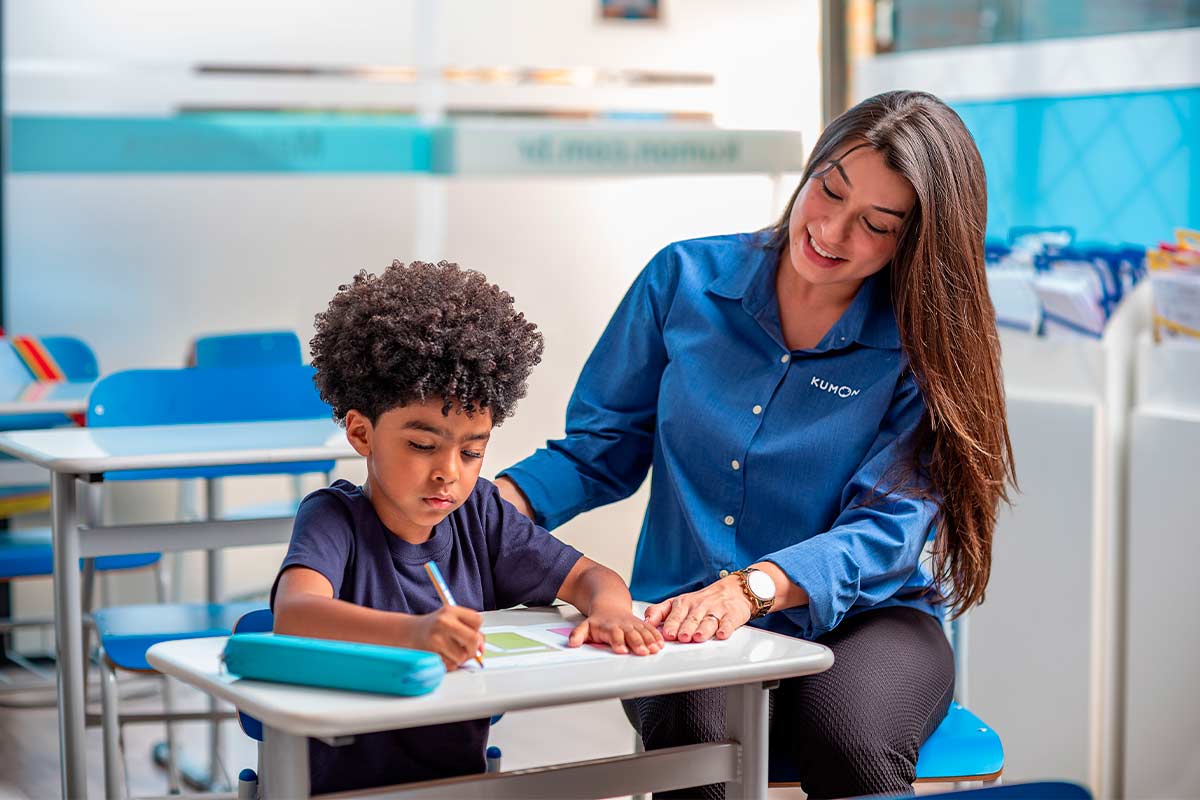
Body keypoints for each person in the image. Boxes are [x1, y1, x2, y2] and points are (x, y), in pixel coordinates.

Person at [496, 90, 1016, 799]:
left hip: (870, 622)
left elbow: (884, 530)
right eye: (828, 190)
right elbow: (604, 445)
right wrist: (497, 503)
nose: (830, 231)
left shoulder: (918, 345)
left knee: (849, 738)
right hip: (681, 616)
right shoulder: (682, 280)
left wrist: (753, 588)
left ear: (914, 242)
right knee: (702, 743)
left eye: (876, 224)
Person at [271, 260, 664, 795]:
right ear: (362, 434)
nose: (448, 473)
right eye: (422, 445)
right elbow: (296, 614)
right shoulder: (333, 518)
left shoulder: (480, 515)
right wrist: (415, 635)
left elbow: (591, 578)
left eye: (473, 451)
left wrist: (612, 612)